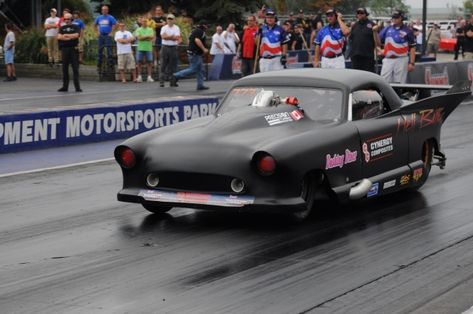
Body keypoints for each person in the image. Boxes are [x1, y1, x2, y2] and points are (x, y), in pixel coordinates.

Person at [377, 10, 416, 83]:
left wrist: (412, 63)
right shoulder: (387, 28)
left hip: (401, 59)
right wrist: (375, 32)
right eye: (393, 17)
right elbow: (378, 41)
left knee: (399, 82)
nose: (394, 19)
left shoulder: (408, 30)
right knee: (384, 81)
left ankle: (398, 94)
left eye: (396, 17)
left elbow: (412, 47)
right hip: (388, 59)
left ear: (401, 18)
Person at [170, 20, 210, 90]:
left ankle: (200, 85)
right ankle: (175, 76)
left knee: (200, 69)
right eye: (206, 25)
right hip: (195, 53)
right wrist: (204, 49)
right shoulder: (200, 31)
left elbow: (189, 40)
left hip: (193, 52)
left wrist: (191, 48)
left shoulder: (194, 31)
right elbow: (197, 40)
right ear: (203, 25)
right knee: (193, 69)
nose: (207, 27)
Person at [349, 7, 379, 73]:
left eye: (362, 13)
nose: (359, 14)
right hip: (356, 56)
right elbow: (351, 39)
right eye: (358, 13)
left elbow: (377, 42)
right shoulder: (354, 25)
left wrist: (375, 31)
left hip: (368, 56)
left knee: (368, 76)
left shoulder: (372, 24)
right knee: (356, 76)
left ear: (366, 14)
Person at [57, 13, 81, 92]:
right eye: (65, 19)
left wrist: (65, 35)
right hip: (65, 49)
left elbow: (77, 35)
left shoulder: (76, 27)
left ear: (72, 19)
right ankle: (65, 86)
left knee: (75, 68)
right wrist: (70, 37)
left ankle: (77, 87)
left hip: (73, 49)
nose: (67, 20)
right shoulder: (62, 28)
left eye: (68, 19)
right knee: (64, 68)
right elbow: (59, 37)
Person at [159, 13, 181, 87]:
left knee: (173, 66)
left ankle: (172, 81)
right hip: (165, 47)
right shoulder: (164, 27)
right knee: (163, 65)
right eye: (168, 19)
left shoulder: (176, 28)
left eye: (171, 19)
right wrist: (172, 36)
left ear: (174, 20)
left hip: (173, 47)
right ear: (166, 20)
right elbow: (163, 37)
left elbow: (177, 37)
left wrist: (168, 36)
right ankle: (161, 82)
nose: (170, 20)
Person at [135, 17, 155, 82]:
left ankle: (149, 77)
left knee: (149, 62)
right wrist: (147, 37)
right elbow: (139, 38)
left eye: (145, 21)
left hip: (148, 48)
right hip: (140, 48)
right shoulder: (138, 29)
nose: (144, 22)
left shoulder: (150, 29)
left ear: (147, 22)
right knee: (139, 62)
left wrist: (143, 37)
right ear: (141, 22)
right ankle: (139, 77)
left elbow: (151, 37)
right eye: (143, 21)